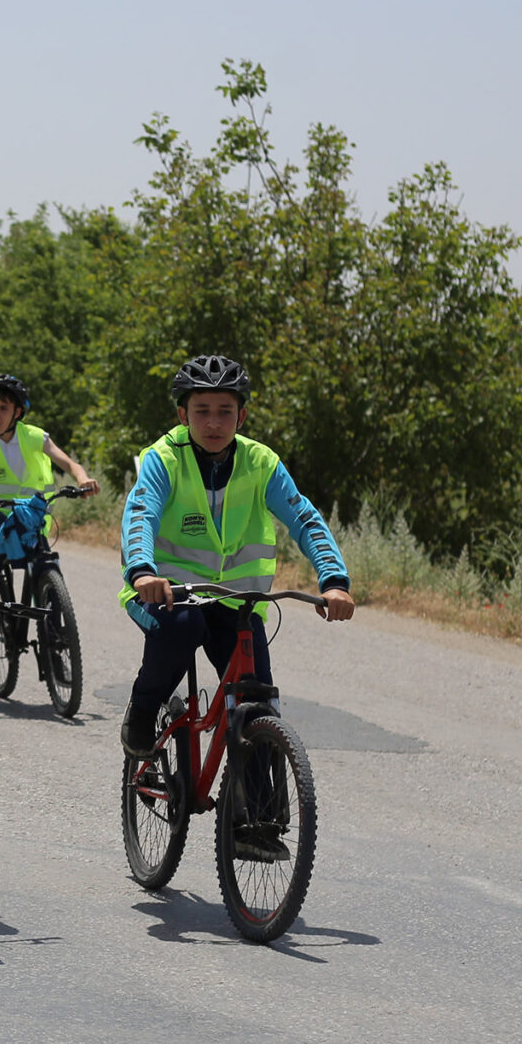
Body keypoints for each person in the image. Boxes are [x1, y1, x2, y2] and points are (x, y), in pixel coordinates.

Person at [118, 355, 353, 855]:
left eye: (226, 411)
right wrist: (142, 571)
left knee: (257, 702)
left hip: (237, 603)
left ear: (241, 416)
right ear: (183, 414)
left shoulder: (261, 463)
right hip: (166, 595)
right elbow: (141, 513)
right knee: (180, 629)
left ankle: (257, 822)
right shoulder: (163, 459)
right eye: (202, 410)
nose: (214, 422)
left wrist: (333, 580)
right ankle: (142, 713)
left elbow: (305, 519)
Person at [0, 373, 101, 603]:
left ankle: (57, 633)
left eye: (3, 408)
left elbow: (69, 463)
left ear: (17, 413)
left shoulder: (34, 436)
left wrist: (83, 479)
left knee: (47, 563)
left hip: (29, 514)